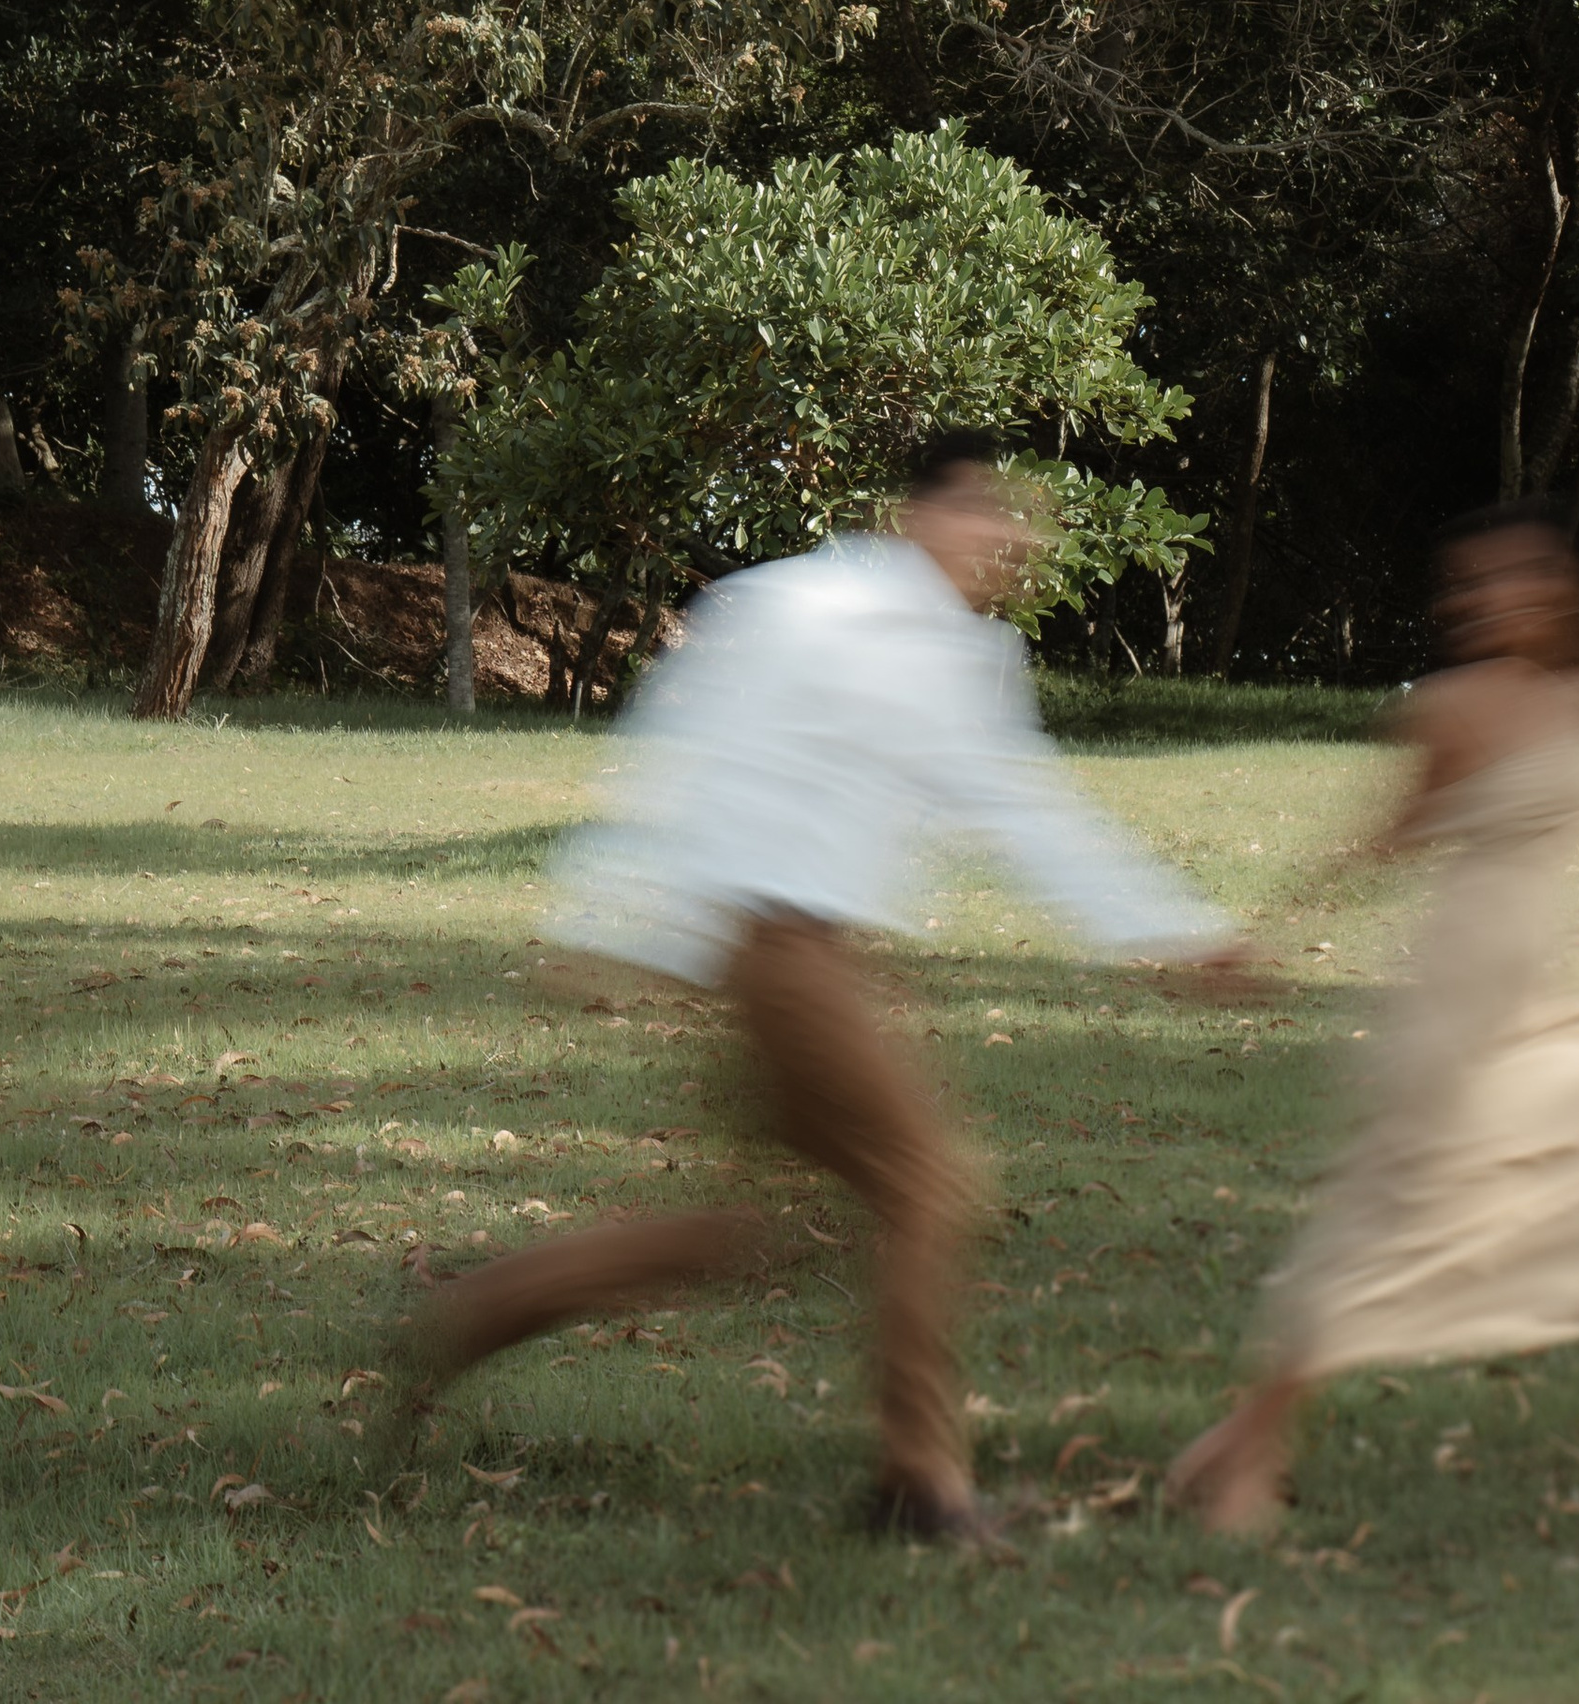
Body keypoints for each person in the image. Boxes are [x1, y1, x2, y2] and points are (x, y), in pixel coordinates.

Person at [394, 433, 1252, 1543]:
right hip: (771, 950)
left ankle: (479, 1309)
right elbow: (685, 756)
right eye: (985, 510)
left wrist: (1177, 935)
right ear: (917, 515)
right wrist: (601, 917)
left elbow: (1028, 815)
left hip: (832, 960)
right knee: (929, 1190)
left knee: (765, 1230)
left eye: (1017, 518)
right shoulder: (799, 608)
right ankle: (919, 1486)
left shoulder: (964, 656)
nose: (1006, 536)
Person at [1161, 501, 1579, 1534]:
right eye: (1475, 583)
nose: (1495, 599)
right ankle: (1243, 1449)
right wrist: (1266, 934)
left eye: (1520, 576)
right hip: (1465, 993)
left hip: (1571, 996)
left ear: (1565, 589)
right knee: (1397, 1220)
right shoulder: (1449, 710)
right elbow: (1382, 839)